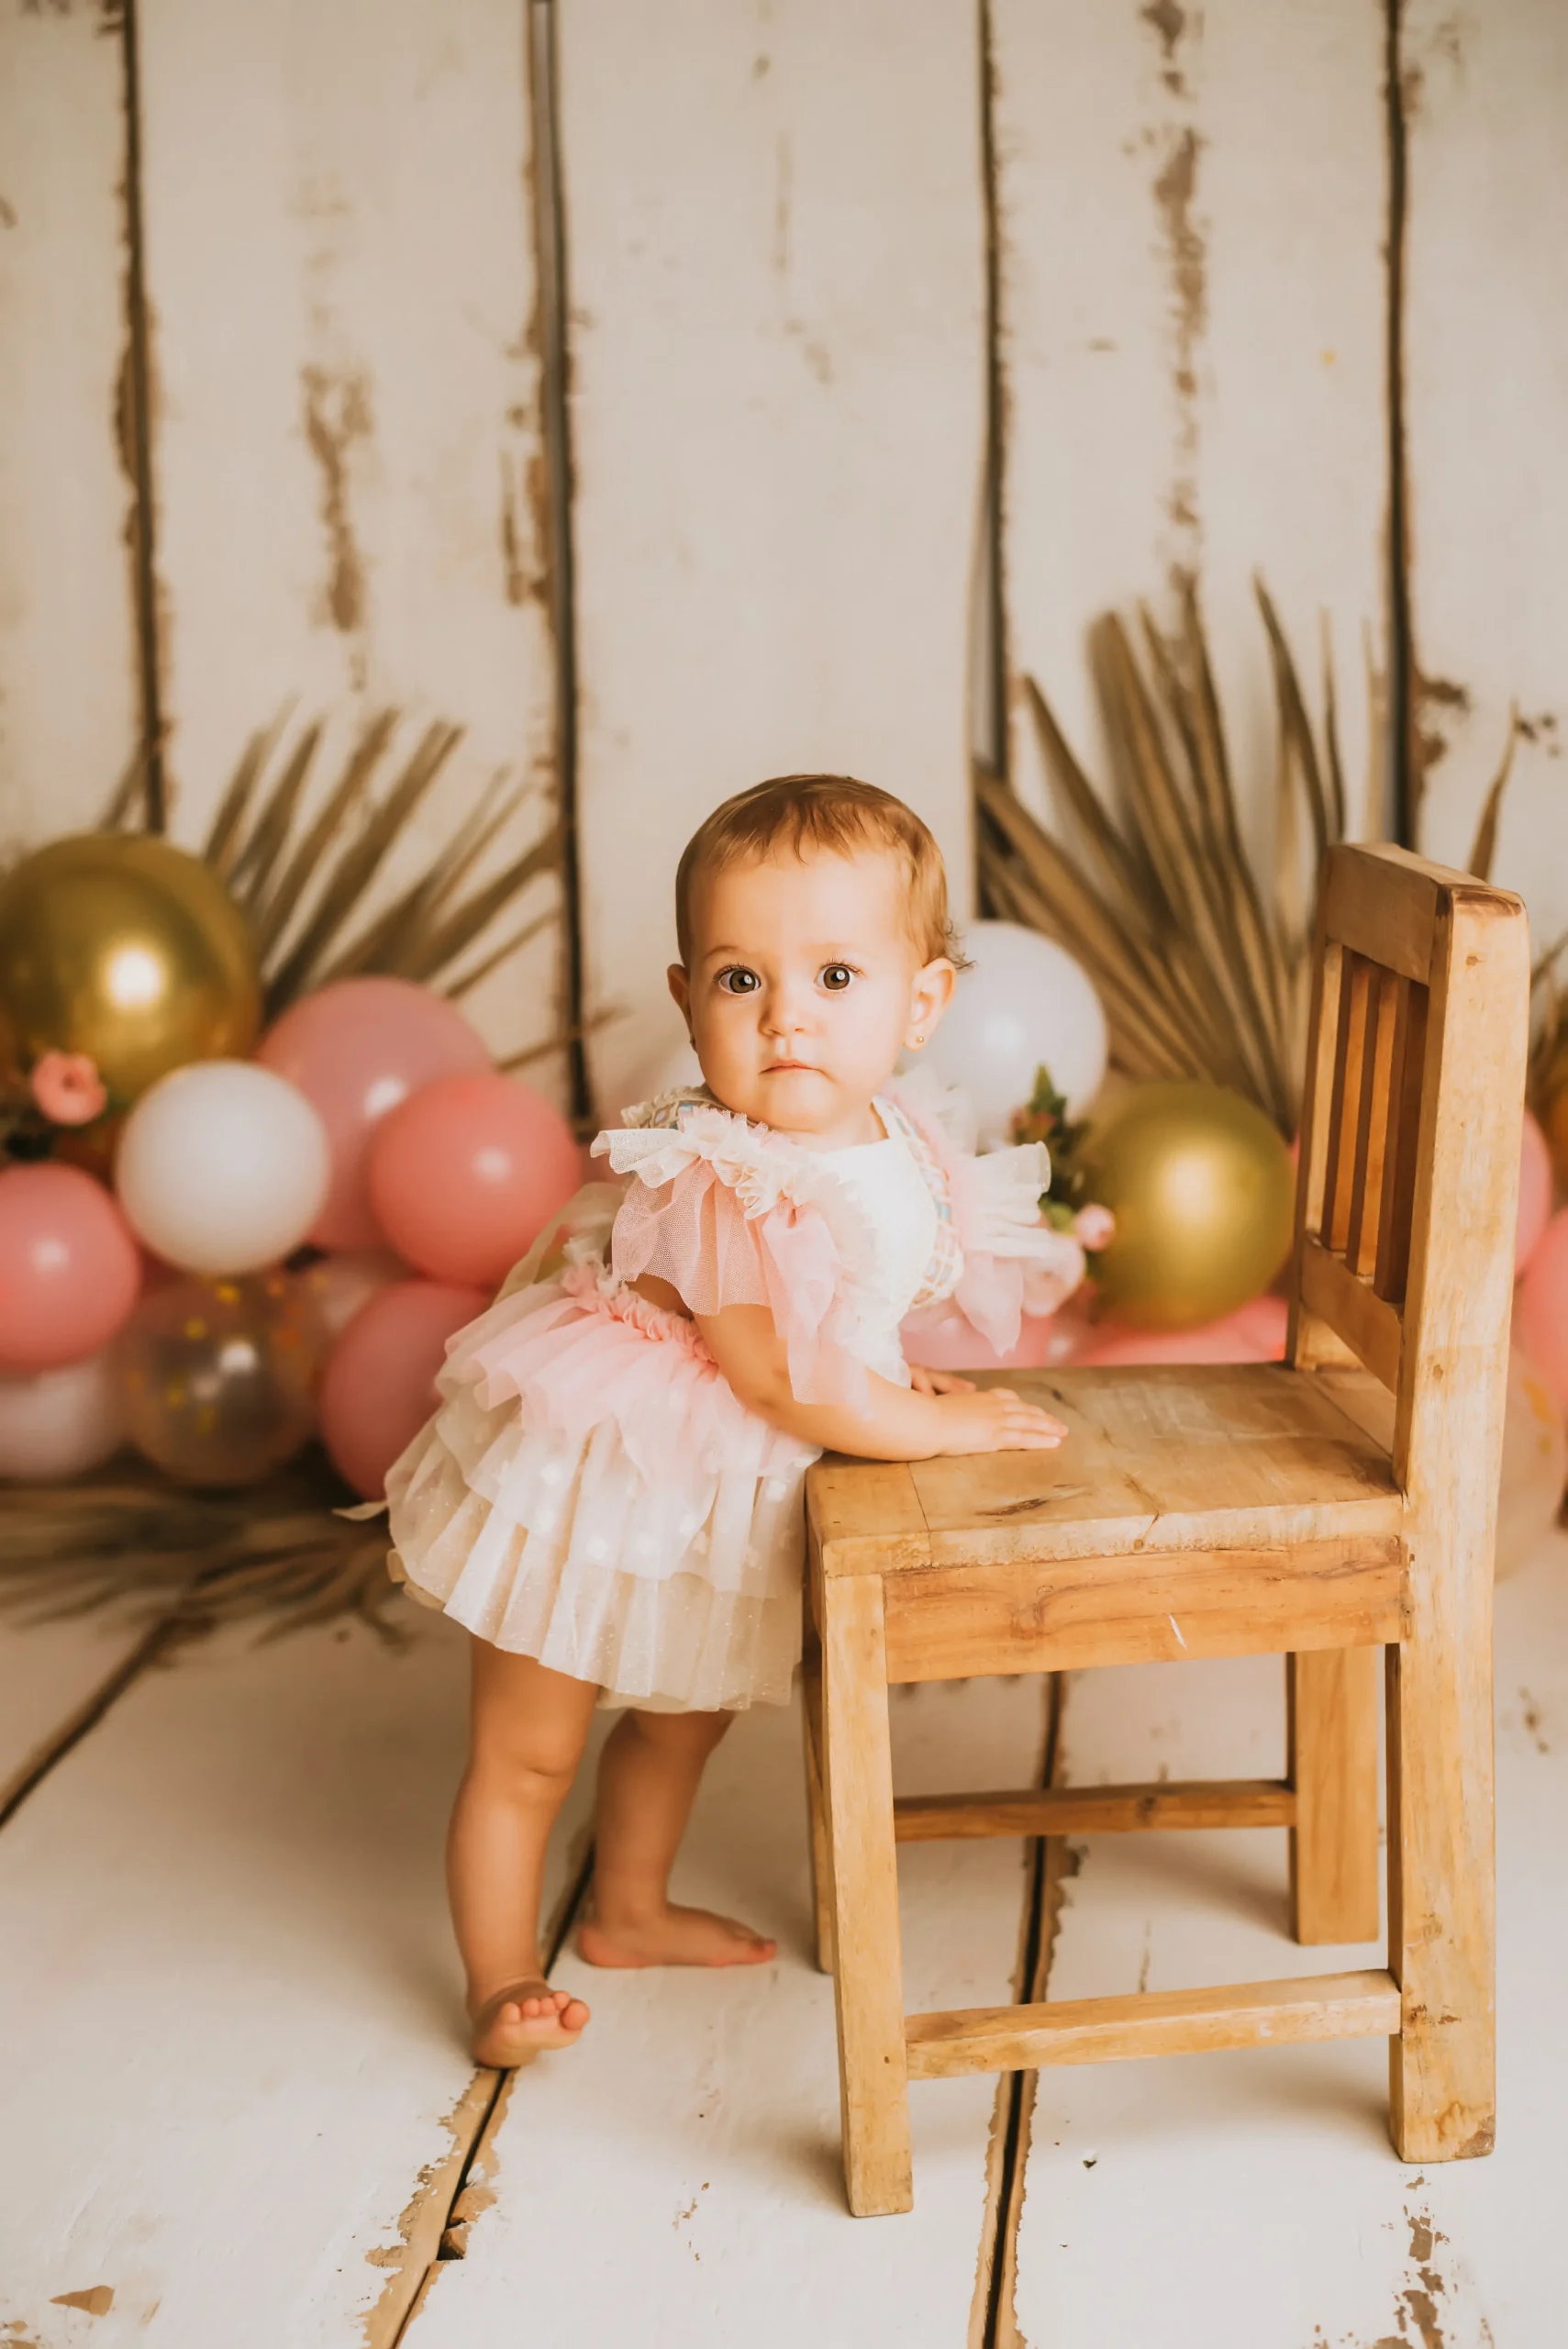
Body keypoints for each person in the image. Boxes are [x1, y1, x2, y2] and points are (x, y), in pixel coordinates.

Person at [380, 775, 1101, 2068]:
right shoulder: (719, 1176)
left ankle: (626, 1909)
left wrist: (902, 1378)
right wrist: (930, 1430)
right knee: (531, 1749)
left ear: (921, 1003)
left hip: (711, 1486)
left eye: (836, 977)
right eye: (739, 980)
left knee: (682, 1713)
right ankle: (499, 1980)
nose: (786, 1019)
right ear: (687, 1000)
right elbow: (779, 1381)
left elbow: (851, 1311)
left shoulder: (897, 1138)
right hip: (598, 1472)